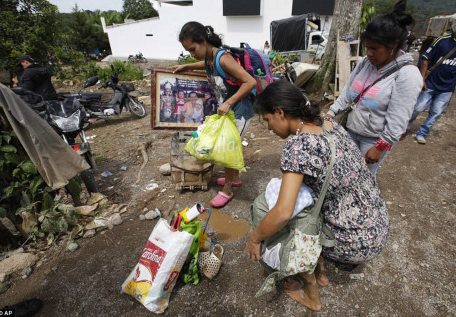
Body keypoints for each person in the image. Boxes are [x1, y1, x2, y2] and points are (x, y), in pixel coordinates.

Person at [245, 81, 389, 312]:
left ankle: (311, 291)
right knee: (312, 202)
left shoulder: (299, 145)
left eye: (268, 120)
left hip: (353, 240)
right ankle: (321, 272)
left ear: (280, 112)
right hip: (376, 226)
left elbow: (282, 212)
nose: (269, 128)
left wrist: (255, 238)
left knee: (280, 216)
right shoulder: (330, 125)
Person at [325, 0, 422, 178]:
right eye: (367, 47)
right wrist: (331, 114)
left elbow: (399, 118)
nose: (369, 53)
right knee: (343, 172)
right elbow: (348, 92)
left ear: (393, 45)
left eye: (375, 49)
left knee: (363, 178)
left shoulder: (407, 74)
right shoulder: (365, 63)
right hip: (350, 130)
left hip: (373, 140)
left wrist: (380, 146)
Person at [173, 21, 256, 208]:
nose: (192, 54)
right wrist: (187, 67)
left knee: (227, 149)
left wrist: (228, 102)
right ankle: (234, 178)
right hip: (229, 113)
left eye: (193, 49)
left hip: (239, 111)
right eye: (188, 52)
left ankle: (227, 190)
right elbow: (204, 64)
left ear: (203, 41)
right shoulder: (209, 58)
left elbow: (249, 82)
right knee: (231, 145)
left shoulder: (223, 58)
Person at [407, 13, 456, 145]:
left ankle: (422, 133)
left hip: (447, 87)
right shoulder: (442, 41)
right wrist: (423, 79)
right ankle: (407, 123)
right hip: (431, 83)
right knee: (418, 108)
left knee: (436, 112)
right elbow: (425, 60)